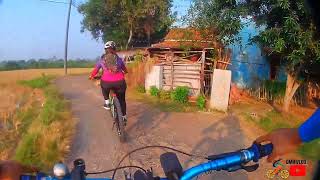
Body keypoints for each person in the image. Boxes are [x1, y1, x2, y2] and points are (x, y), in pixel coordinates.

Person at [90, 41, 128, 121]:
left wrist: (91, 76)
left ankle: (107, 103)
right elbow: (125, 70)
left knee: (103, 86)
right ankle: (124, 117)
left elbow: (96, 70)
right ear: (115, 49)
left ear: (105, 50)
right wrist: (124, 72)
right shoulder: (119, 59)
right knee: (122, 100)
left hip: (107, 83)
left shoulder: (102, 60)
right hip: (120, 83)